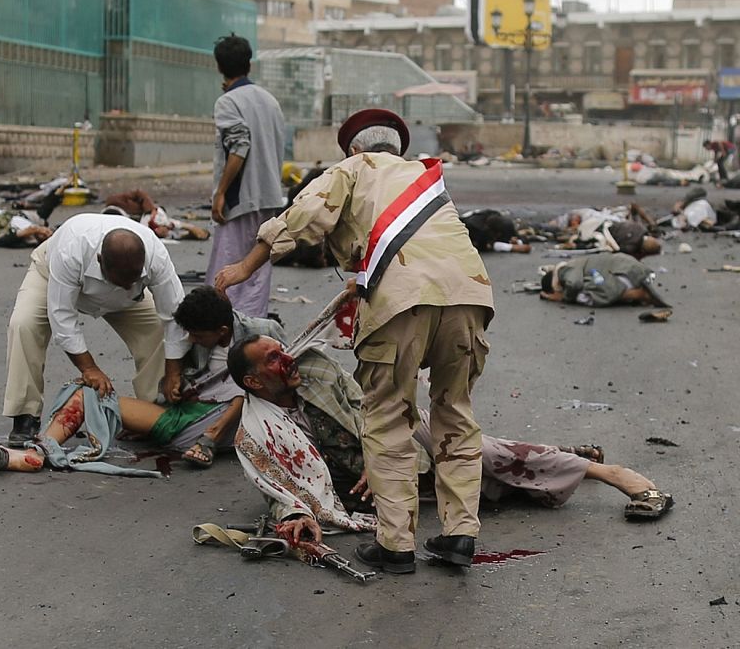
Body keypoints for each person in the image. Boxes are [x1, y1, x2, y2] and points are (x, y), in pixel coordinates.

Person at [215, 108, 494, 574]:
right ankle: (460, 534)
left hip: (401, 304)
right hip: (469, 295)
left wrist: (245, 267)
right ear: (397, 149)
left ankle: (396, 545)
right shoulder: (425, 179)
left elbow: (302, 216)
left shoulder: (352, 169)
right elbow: (423, 245)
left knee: (387, 418)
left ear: (353, 149)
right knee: (455, 412)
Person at [229, 334, 673, 557]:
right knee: (496, 489)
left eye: (280, 349)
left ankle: (620, 478)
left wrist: (375, 451)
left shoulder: (317, 368)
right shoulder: (257, 431)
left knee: (493, 457)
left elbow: (373, 403)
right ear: (253, 382)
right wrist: (294, 517)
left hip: (397, 431)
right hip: (383, 485)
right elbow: (278, 486)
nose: (284, 358)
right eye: (271, 359)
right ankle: (567, 454)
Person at [0, 287, 275, 472]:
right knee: (86, 393)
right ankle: (36, 451)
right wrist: (172, 386)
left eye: (197, 335)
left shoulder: (259, 337)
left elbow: (250, 395)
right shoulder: (202, 337)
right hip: (184, 415)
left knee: (247, 392)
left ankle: (29, 457)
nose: (190, 339)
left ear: (222, 332)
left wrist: (209, 440)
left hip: (216, 424)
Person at [0, 212, 188, 448]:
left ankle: (153, 411)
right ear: (100, 260)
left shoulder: (155, 255)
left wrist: (173, 373)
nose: (129, 284)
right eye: (122, 280)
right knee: (23, 325)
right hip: (52, 274)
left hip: (125, 300)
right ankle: (25, 416)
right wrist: (89, 368)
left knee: (156, 331)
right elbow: (63, 317)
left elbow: (175, 317)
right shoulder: (70, 249)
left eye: (134, 279)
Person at [206, 34, 287, 318]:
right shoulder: (270, 101)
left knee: (227, 273)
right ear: (249, 65)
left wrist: (220, 193)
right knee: (257, 273)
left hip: (241, 201)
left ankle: (227, 338)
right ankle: (253, 334)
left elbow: (239, 147)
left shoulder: (228, 102)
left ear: (219, 66)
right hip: (270, 199)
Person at [540, 254, 673, 318]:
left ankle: (636, 294)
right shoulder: (578, 262)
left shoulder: (564, 271)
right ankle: (633, 293)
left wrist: (563, 297)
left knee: (583, 293)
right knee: (594, 281)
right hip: (634, 272)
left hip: (623, 274)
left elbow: (575, 283)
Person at [101, 189, 211, 241]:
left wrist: (151, 210)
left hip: (148, 217)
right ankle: (185, 233)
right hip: (140, 227)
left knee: (160, 225)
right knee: (158, 232)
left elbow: (140, 193)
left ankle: (188, 228)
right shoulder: (119, 224)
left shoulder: (115, 200)